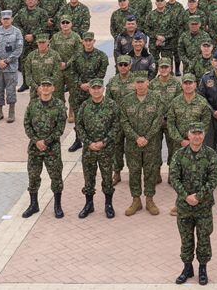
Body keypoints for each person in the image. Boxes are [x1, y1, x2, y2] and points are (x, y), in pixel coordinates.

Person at [171, 122, 217, 285]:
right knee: (186, 238)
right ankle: (187, 268)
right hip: (184, 206)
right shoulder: (179, 154)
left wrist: (198, 196)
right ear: (188, 135)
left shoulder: (211, 155)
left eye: (200, 133)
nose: (197, 136)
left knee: (204, 238)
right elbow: (174, 178)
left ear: (204, 135)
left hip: (203, 206)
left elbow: (213, 180)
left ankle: (203, 269)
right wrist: (186, 196)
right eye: (194, 133)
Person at [120, 72, 165, 215]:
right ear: (134, 84)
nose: (140, 85)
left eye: (142, 82)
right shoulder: (127, 100)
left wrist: (146, 137)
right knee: (134, 171)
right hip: (133, 144)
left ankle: (150, 199)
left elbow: (158, 120)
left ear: (148, 83)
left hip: (151, 143)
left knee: (150, 171)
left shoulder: (156, 98)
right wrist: (136, 137)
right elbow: (124, 121)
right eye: (137, 82)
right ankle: (136, 200)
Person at [75, 81, 119, 219]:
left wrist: (104, 142)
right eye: (93, 88)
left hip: (106, 149)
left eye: (98, 88)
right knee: (88, 178)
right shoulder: (85, 106)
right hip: (89, 149)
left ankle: (108, 205)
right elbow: (79, 126)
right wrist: (88, 143)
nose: (96, 90)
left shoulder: (112, 105)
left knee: (107, 177)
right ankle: (89, 204)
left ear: (103, 89)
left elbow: (116, 126)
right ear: (89, 90)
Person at [23, 79, 66, 219]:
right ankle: (33, 204)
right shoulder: (33, 104)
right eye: (43, 86)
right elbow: (27, 124)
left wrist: (46, 141)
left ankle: (57, 205)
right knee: (33, 176)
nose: (46, 88)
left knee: (56, 177)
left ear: (53, 88)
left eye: (48, 86)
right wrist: (36, 141)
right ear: (40, 89)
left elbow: (60, 128)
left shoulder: (59, 105)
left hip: (52, 148)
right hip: (35, 147)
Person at [0, 10, 24, 123]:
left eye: (8, 18)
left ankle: (11, 112)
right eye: (4, 19)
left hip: (11, 68)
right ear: (1, 20)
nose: (6, 20)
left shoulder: (17, 32)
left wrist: (7, 61)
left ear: (11, 19)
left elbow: (19, 49)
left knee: (11, 90)